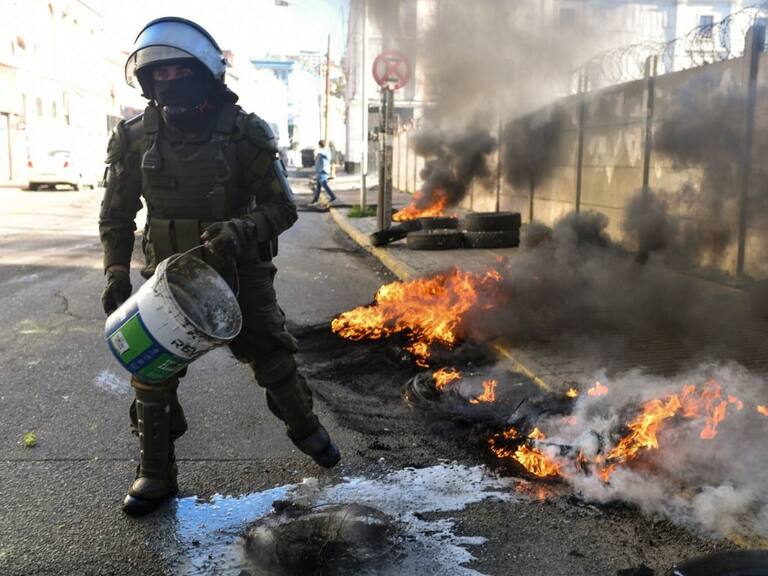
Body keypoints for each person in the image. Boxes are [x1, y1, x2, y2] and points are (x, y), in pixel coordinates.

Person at [99, 17, 340, 516]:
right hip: (168, 278)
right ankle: (155, 475)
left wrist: (239, 231)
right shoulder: (135, 137)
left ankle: (308, 431)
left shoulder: (244, 134)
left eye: (178, 72)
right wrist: (115, 271)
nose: (168, 82)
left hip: (240, 271)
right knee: (151, 373)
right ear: (145, 80)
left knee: (272, 358)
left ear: (204, 73)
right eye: (157, 74)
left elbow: (283, 208)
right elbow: (117, 215)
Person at [309, 139, 337, 206]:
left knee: (324, 184)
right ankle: (315, 200)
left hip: (323, 171)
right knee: (318, 187)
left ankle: (332, 196)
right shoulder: (322, 151)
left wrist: (317, 153)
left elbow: (320, 154)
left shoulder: (325, 151)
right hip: (320, 171)